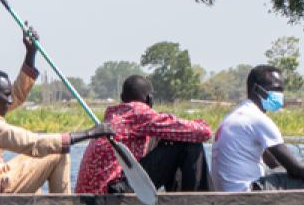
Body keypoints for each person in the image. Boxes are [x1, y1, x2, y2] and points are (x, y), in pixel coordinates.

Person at [0, 29, 108, 194]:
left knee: (41, 174)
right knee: (58, 151)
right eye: (6, 96)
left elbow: (16, 95)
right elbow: (33, 143)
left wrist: (30, 54)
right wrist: (90, 133)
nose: (10, 101)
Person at [211, 65, 304, 191]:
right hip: (249, 190)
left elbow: (274, 164)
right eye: (275, 89)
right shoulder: (258, 119)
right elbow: (296, 169)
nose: (279, 95)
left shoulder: (236, 114)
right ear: (257, 89)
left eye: (281, 90)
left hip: (234, 188)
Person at [75, 74, 214, 194]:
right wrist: (201, 123)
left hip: (96, 192)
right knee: (186, 145)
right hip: (113, 191)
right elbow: (203, 132)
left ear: (122, 98)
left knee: (168, 137)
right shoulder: (138, 112)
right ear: (149, 99)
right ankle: (202, 204)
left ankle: (180, 199)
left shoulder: (115, 115)